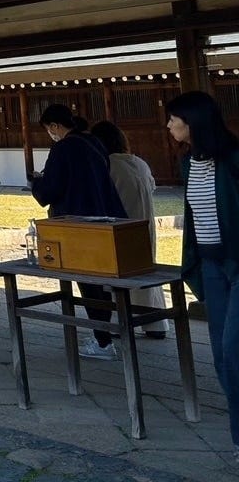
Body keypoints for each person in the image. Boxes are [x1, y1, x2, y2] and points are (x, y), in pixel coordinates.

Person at [168, 90, 239, 463]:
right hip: (211, 268)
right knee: (220, 357)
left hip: (237, 264)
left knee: (234, 351)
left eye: (173, 119)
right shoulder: (189, 163)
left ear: (192, 122)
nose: (168, 126)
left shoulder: (234, 159)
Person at [29, 103, 127, 361]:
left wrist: (36, 182)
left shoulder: (63, 148)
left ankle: (103, 341)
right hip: (106, 216)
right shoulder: (94, 143)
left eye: (49, 129)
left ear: (54, 126)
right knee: (103, 282)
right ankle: (108, 334)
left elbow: (50, 189)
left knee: (89, 284)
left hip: (77, 223)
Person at [90, 120, 168, 338]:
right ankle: (155, 324)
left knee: (116, 277)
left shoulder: (107, 165)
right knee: (145, 275)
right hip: (145, 224)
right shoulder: (139, 163)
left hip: (119, 226)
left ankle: (118, 322)